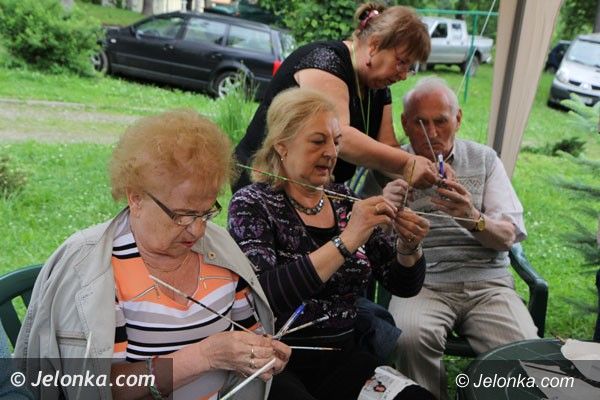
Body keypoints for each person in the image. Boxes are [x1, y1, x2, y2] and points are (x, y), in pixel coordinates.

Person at [15, 110, 290, 399]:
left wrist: (261, 353)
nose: (197, 230)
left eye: (206, 212)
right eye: (182, 215)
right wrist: (203, 356)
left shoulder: (219, 250)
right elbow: (99, 388)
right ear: (136, 197)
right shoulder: (96, 269)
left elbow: (248, 336)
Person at [227, 87, 433, 400]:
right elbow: (264, 295)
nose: (331, 152)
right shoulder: (253, 204)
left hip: (344, 357)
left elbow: (401, 284)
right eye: (317, 141)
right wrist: (346, 240)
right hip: (276, 360)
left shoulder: (346, 201)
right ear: (282, 146)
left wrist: (409, 248)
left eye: (335, 142)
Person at [380, 77, 539, 399]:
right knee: (408, 337)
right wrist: (385, 208)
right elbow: (368, 242)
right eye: (420, 122)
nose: (432, 133)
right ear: (405, 124)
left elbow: (507, 235)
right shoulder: (388, 165)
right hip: (422, 284)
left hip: (487, 285)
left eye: (441, 121)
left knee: (524, 354)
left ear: (458, 119)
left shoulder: (484, 159)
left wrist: (471, 216)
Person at [232, 2, 437, 194]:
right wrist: (407, 163)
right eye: (401, 62)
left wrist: (431, 176)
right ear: (374, 45)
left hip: (310, 191)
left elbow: (388, 148)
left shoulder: (378, 86)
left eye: (410, 67)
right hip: (265, 183)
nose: (404, 75)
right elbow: (341, 137)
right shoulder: (326, 62)